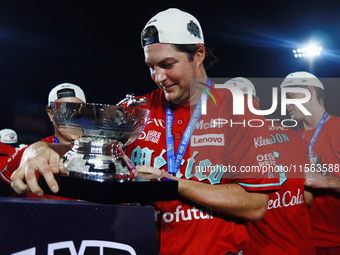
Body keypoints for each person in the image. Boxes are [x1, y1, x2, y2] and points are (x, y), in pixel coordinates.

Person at [9, 8, 282, 254]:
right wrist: (37, 150)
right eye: (151, 67)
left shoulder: (241, 112)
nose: (158, 77)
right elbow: (82, 152)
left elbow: (254, 204)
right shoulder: (132, 110)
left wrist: (174, 185)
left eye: (167, 65)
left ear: (198, 54)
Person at [227, 77, 315, 254]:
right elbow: (307, 198)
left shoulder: (229, 145)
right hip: (302, 245)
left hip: (262, 249)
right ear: (257, 102)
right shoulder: (295, 136)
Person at [280, 71, 340, 255]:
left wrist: (324, 181)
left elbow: (314, 180)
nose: (286, 104)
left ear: (309, 92)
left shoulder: (337, 128)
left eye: (289, 96)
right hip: (305, 241)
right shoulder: (294, 138)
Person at [1, 82, 86, 198]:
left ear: (86, 113)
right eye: (62, 108)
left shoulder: (102, 151)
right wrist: (30, 150)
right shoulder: (32, 153)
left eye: (76, 109)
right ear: (50, 114)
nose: (70, 115)